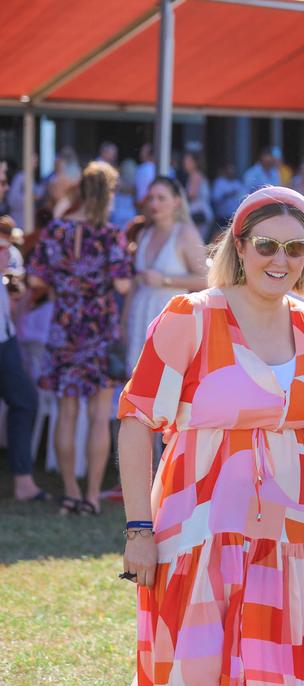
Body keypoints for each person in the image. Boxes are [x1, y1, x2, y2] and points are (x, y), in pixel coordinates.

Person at [104, 186, 304, 686]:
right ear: (240, 244)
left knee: (272, 683)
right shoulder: (193, 315)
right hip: (194, 532)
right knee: (193, 680)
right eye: (266, 245)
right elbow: (136, 421)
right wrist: (139, 529)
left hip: (281, 541)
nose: (280, 260)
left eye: (295, 248)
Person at [27, 161, 133, 516]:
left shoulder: (55, 231)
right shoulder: (110, 234)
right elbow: (122, 284)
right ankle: (91, 496)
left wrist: (66, 284)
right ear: (109, 193)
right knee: (100, 414)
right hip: (99, 327)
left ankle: (70, 492)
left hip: (63, 325)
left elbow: (35, 281)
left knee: (66, 412)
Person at [124, 176, 208, 373]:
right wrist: (124, 320)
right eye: (151, 198)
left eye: (161, 198)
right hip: (140, 318)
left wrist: (165, 280)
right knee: (137, 382)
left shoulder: (185, 233)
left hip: (171, 320)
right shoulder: (144, 233)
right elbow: (135, 282)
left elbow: (207, 280)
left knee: (165, 383)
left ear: (176, 201)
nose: (154, 203)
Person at [0, 216, 47, 502]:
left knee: (25, 400)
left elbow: (14, 289)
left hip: (5, 335)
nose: (3, 186)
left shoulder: (9, 244)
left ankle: (23, 482)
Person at [181, 151, 214, 240]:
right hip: (200, 212)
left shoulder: (195, 175)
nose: (185, 163)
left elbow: (192, 194)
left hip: (199, 213)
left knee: (195, 242)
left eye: (187, 160)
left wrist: (179, 194)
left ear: (194, 162)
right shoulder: (196, 175)